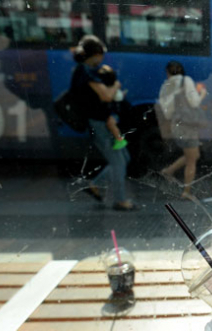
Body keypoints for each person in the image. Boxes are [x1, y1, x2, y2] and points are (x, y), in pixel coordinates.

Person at [70, 35, 135, 210]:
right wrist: (116, 86)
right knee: (118, 162)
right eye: (102, 54)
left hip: (102, 122)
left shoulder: (84, 70)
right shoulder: (86, 72)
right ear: (97, 53)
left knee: (124, 157)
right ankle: (120, 200)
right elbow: (105, 95)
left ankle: (94, 184)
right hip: (99, 124)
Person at [158, 61, 208, 200]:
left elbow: (167, 113)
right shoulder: (186, 81)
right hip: (188, 126)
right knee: (192, 159)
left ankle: (168, 171)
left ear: (168, 73)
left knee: (193, 155)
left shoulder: (165, 86)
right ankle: (186, 191)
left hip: (177, 125)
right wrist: (202, 93)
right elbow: (195, 102)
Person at [96, 64, 127, 150]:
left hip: (109, 114)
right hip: (111, 113)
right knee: (113, 126)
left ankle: (119, 140)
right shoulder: (112, 88)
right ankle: (119, 139)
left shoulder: (107, 90)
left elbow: (112, 97)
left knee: (112, 125)